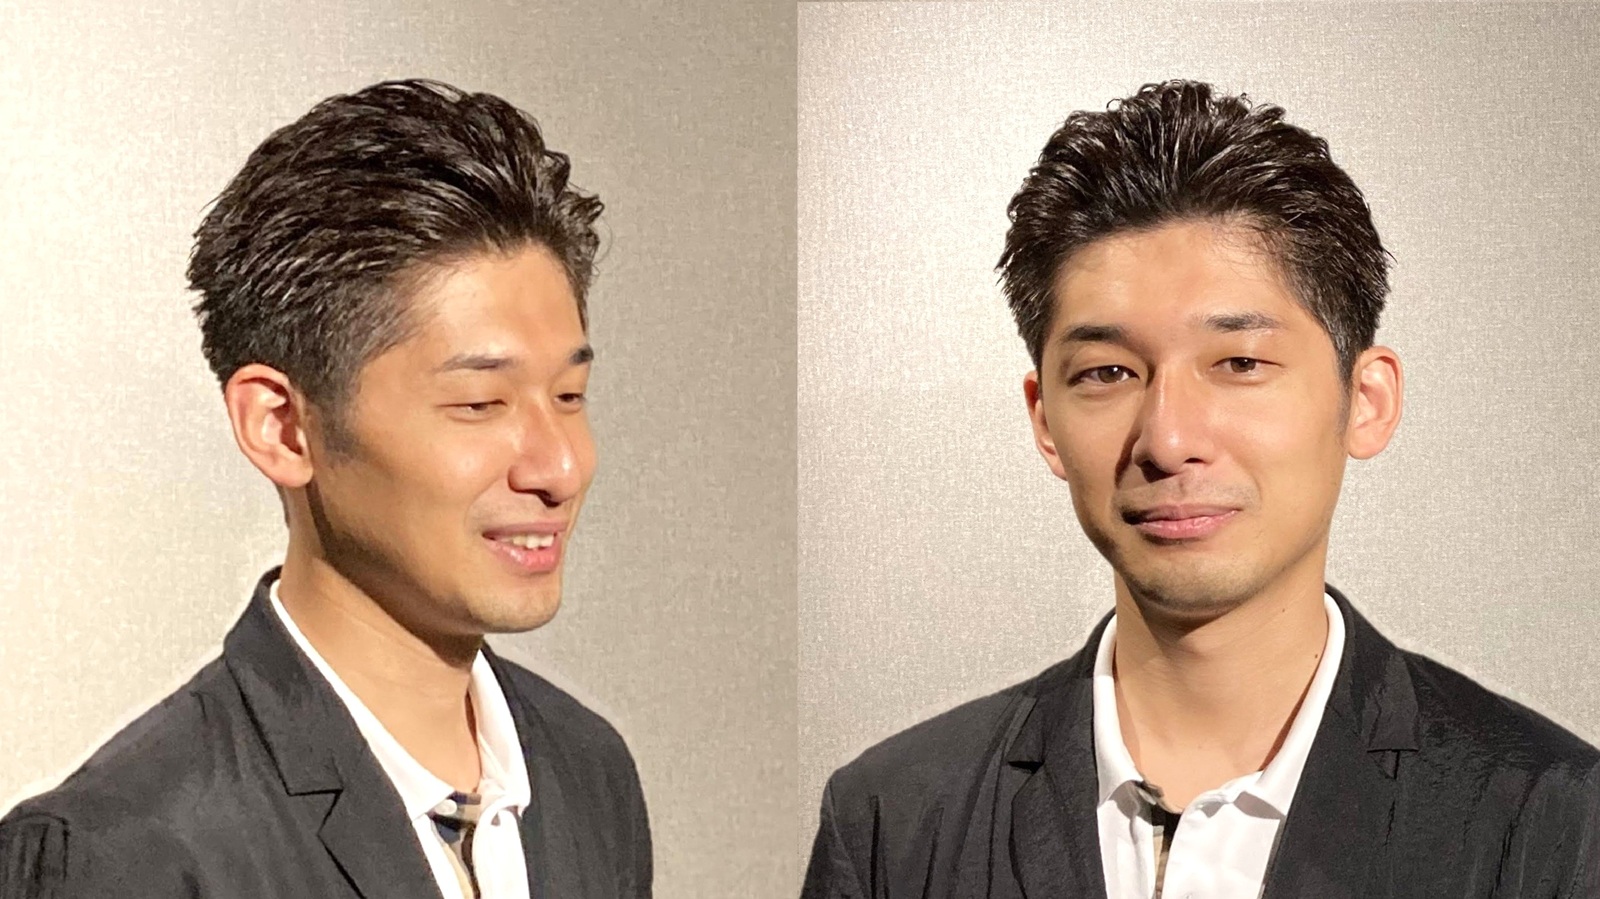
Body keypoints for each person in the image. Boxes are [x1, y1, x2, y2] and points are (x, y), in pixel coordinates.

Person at [800, 80, 1600, 899]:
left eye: (1240, 363)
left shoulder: (1552, 823)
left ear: (1366, 400)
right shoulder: (895, 823)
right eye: (1107, 372)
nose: (1168, 438)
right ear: (1044, 420)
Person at [0, 79, 650, 899]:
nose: (559, 467)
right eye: (480, 403)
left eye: (569, 395)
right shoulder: (127, 852)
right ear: (280, 425)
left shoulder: (586, 772)